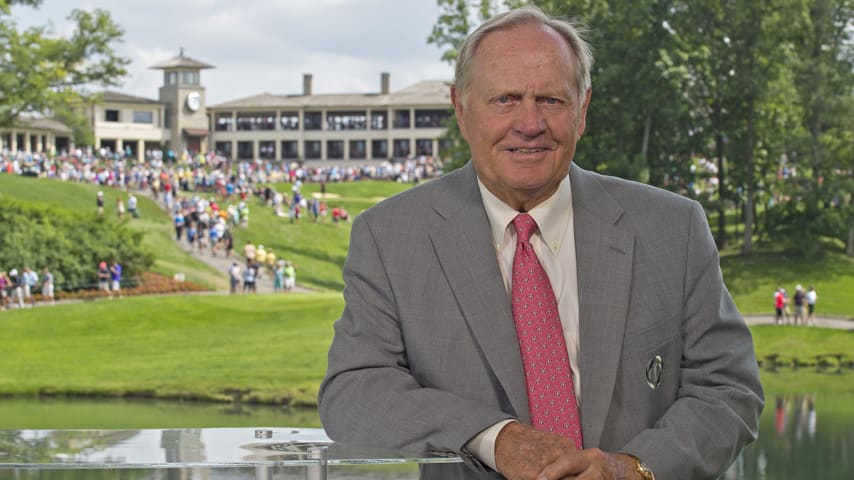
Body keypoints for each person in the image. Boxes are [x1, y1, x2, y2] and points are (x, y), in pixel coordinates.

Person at [318, 7, 763, 480]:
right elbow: (354, 391)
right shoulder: (390, 236)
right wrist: (495, 438)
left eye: (551, 100)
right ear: (461, 109)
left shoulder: (672, 228)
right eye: (504, 99)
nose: (529, 123)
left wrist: (632, 469)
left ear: (583, 109)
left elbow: (728, 390)